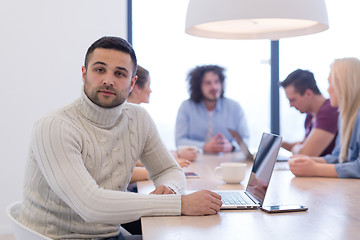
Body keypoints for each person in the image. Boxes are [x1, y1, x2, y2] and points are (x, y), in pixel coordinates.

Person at [19, 36, 222, 240]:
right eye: (99, 70)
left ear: (132, 82)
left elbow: (169, 170)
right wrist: (180, 204)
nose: (108, 80)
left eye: (120, 73)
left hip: (110, 235)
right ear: (84, 74)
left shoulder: (138, 118)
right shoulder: (54, 126)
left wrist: (170, 189)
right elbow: (90, 205)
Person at [289, 57, 360, 178]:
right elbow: (339, 156)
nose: (328, 89)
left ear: (344, 85)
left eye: (330, 83)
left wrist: (315, 168)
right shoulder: (344, 116)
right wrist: (310, 161)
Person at [127, 65, 197, 184]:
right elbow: (126, 168)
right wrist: (165, 169)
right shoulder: (126, 117)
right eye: (149, 85)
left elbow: (135, 158)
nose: (150, 90)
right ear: (136, 86)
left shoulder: (136, 116)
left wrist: (168, 161)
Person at [175, 65, 249, 154]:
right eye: (208, 83)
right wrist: (204, 146)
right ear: (199, 86)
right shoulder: (186, 107)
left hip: (228, 161)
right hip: (196, 161)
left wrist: (231, 146)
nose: (214, 87)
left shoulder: (235, 107)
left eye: (217, 82)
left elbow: (246, 139)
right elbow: (179, 141)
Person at [280, 69, 338, 156]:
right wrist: (282, 144)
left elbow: (306, 153)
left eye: (293, 100)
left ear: (308, 93)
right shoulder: (310, 115)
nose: (291, 105)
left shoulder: (329, 112)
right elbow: (304, 144)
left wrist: (297, 148)